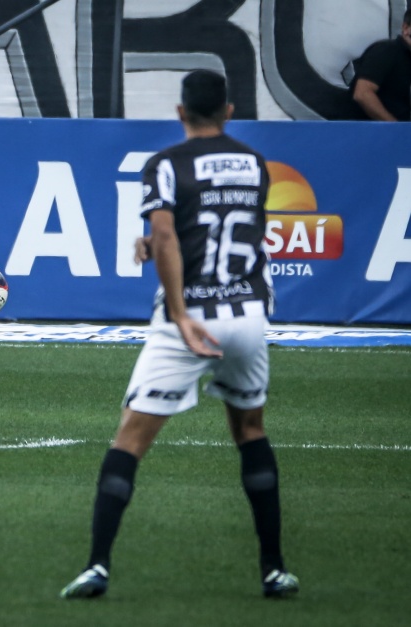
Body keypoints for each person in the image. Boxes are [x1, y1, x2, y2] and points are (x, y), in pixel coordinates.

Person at [60, 70, 298, 599]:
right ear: (230, 111)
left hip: (190, 315)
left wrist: (179, 308)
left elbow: (171, 231)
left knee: (130, 437)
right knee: (251, 431)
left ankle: (97, 564)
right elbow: (219, 226)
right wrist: (157, 244)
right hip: (248, 313)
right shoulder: (254, 164)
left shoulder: (165, 164)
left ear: (180, 112)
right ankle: (274, 568)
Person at [349, 9, 411, 121]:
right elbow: (363, 93)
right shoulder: (387, 51)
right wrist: (397, 128)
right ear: (406, 28)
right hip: (370, 134)